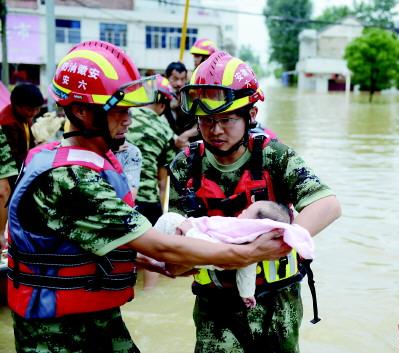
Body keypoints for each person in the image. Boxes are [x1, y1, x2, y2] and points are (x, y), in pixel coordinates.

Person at [7, 40, 291, 353]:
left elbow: (90, 245)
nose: (128, 120)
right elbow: (159, 244)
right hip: (57, 333)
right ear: (81, 111)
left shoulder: (70, 157)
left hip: (94, 317)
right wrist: (248, 255)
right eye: (118, 111)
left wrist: (154, 264)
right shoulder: (71, 178)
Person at [169, 51, 341, 353]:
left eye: (226, 119)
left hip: (277, 305)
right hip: (215, 307)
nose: (216, 130)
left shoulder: (275, 157)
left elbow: (327, 205)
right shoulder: (185, 166)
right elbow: (173, 243)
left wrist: (280, 242)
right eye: (207, 121)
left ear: (250, 115)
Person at [154, 201, 314, 309]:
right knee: (154, 251)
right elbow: (247, 269)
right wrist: (247, 293)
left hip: (187, 238)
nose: (243, 211)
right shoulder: (250, 245)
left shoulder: (239, 238)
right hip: (193, 254)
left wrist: (190, 230)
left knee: (167, 223)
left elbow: (209, 248)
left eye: (247, 212)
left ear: (256, 225)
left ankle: (143, 258)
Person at [127, 76, 177, 225]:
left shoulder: (123, 118)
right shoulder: (165, 131)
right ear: (162, 105)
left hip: (121, 197)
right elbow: (163, 182)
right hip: (148, 202)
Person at [0, 83, 44, 245]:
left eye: (38, 109)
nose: (34, 113)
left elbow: (29, 145)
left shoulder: (24, 117)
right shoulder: (8, 123)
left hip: (23, 164)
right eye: (31, 110)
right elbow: (14, 155)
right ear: (17, 106)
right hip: (11, 169)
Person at [163, 61, 199, 148]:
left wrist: (186, 135)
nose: (179, 84)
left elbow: (202, 122)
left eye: (182, 79)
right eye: (175, 79)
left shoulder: (192, 97)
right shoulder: (160, 99)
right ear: (166, 78)